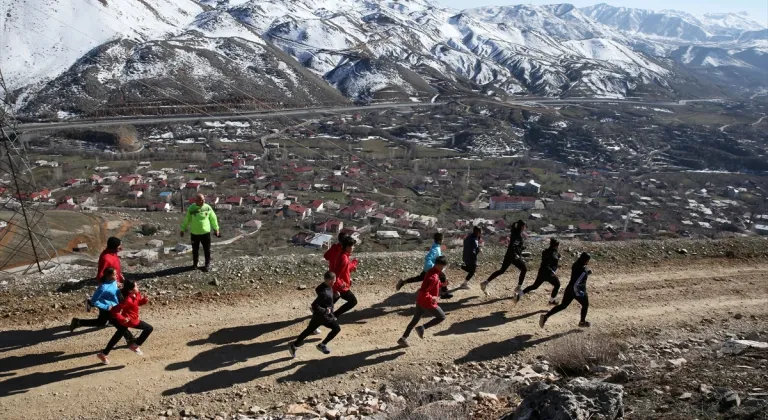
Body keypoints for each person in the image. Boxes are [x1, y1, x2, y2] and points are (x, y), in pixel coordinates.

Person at [69, 268, 135, 345]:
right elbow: (94, 300)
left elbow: (114, 289)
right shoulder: (103, 287)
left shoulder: (113, 282)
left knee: (101, 322)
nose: (117, 275)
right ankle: (130, 339)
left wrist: (119, 286)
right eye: (115, 274)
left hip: (113, 306)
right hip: (107, 308)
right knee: (119, 323)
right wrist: (106, 307)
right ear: (108, 276)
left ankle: (78, 322)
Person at [97, 280, 154, 364]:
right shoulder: (126, 299)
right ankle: (135, 345)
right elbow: (115, 311)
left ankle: (103, 354)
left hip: (129, 320)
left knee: (117, 336)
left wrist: (144, 300)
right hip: (129, 320)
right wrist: (122, 318)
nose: (137, 287)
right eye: (136, 286)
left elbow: (137, 303)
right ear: (130, 290)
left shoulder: (136, 294)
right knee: (149, 328)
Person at [398, 256, 448, 347]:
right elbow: (424, 291)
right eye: (443, 266)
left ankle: (403, 338)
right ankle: (422, 328)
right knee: (442, 317)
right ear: (439, 265)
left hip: (420, 301)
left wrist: (441, 284)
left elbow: (433, 285)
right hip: (426, 302)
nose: (444, 268)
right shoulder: (433, 276)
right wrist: (432, 298)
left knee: (415, 320)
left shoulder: (432, 272)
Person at [289, 271, 342, 357]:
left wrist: (336, 297)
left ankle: (293, 346)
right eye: (334, 280)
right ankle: (322, 345)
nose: (335, 282)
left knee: (308, 331)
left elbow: (329, 303)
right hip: (324, 317)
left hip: (318, 316)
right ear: (329, 281)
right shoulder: (324, 292)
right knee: (336, 329)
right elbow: (314, 305)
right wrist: (325, 311)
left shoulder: (326, 287)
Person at [539, 252, 592, 329]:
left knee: (563, 305)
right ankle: (582, 322)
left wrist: (587, 273)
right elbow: (577, 282)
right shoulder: (583, 270)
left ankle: (546, 316)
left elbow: (577, 275)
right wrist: (578, 292)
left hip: (569, 289)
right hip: (577, 290)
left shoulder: (576, 264)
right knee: (585, 305)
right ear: (586, 260)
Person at [395, 232, 452, 299]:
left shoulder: (436, 246)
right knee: (442, 277)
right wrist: (433, 266)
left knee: (420, 278)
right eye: (443, 239)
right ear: (440, 240)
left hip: (428, 268)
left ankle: (403, 282)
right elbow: (428, 258)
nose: (443, 240)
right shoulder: (435, 249)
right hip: (431, 268)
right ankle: (443, 293)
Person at [480, 220, 528, 297]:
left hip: (509, 255)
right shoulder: (518, 235)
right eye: (525, 226)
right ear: (522, 226)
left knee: (502, 270)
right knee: (524, 269)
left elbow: (515, 246)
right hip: (513, 256)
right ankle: (518, 288)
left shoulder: (515, 232)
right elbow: (513, 246)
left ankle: (485, 283)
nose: (525, 228)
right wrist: (516, 254)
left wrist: (521, 248)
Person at [180, 193, 220, 272]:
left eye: (203, 200)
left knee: (207, 250)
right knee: (195, 250)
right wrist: (183, 229)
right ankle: (195, 264)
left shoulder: (207, 207)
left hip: (205, 233)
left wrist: (216, 229)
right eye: (201, 200)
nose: (203, 202)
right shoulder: (191, 208)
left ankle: (207, 264)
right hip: (195, 234)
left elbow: (213, 218)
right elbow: (187, 219)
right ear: (196, 200)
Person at [519, 238, 561, 305]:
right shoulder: (553, 254)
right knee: (557, 285)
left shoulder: (546, 251)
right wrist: (553, 270)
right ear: (556, 245)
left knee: (534, 286)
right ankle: (551, 301)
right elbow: (551, 262)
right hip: (549, 273)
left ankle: (519, 294)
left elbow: (548, 261)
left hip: (542, 272)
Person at [332, 236, 359, 318]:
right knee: (353, 301)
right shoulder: (343, 258)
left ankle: (320, 310)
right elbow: (336, 274)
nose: (353, 248)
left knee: (330, 301)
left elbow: (346, 268)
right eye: (352, 246)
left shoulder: (344, 255)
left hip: (340, 285)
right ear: (348, 247)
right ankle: (334, 315)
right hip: (342, 286)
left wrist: (354, 264)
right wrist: (340, 284)